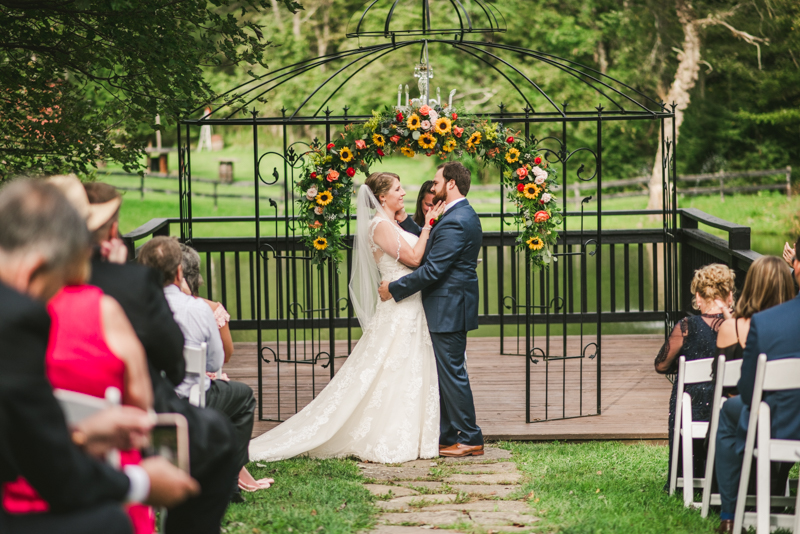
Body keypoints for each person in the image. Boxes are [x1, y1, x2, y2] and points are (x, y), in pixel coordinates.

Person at [0, 179, 198, 534]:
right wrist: (140, 482)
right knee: (110, 522)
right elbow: (55, 477)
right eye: (48, 293)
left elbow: (19, 440)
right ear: (34, 270)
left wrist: (80, 436)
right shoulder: (14, 319)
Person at [247, 171, 445, 463]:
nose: (404, 193)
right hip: (399, 310)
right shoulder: (379, 226)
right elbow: (415, 259)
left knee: (406, 371)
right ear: (382, 197)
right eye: (398, 189)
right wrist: (428, 226)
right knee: (388, 370)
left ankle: (415, 436)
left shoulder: (391, 223)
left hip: (410, 307)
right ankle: (384, 436)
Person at [84, 181, 242, 529]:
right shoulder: (131, 283)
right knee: (218, 438)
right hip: (139, 415)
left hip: (61, 414)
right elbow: (173, 362)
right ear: (112, 230)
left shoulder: (32, 292)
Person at [379, 161, 485, 458]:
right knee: (446, 373)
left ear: (451, 183)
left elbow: (434, 269)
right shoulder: (457, 214)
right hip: (450, 305)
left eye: (437, 182)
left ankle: (470, 437)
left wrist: (394, 289)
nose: (433, 186)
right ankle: (448, 435)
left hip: (448, 307)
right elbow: (434, 251)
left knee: (452, 373)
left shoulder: (456, 219)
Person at [138, 237, 256, 499]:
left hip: (147, 400)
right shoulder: (198, 309)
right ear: (179, 272)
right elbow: (214, 363)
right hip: (192, 399)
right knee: (244, 397)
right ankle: (228, 478)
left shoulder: (132, 306)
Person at [714, 240, 800, 534]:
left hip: (776, 418)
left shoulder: (767, 323)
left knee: (730, 413)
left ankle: (729, 514)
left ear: (797, 266)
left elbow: (749, 391)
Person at [179, 244, 271, 492]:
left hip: (164, 387)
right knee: (235, 394)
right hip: (200, 386)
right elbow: (225, 356)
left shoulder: (151, 305)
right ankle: (233, 472)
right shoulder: (210, 308)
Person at [654, 263, 735, 487]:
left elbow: (661, 365)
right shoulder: (738, 326)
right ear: (729, 297)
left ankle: (684, 475)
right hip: (728, 407)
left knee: (683, 390)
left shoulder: (687, 326)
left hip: (693, 410)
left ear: (698, 298)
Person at [714, 255, 795, 396]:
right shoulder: (793, 326)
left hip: (748, 409)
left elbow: (719, 381)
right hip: (789, 410)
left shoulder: (731, 328)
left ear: (751, 285)